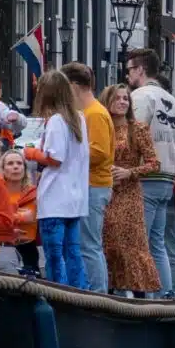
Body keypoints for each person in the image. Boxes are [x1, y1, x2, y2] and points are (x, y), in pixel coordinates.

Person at [125, 48, 175, 297]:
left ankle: (143, 300)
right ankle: (168, 296)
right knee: (158, 244)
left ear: (140, 70)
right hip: (167, 179)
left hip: (146, 177)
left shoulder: (141, 97)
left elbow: (133, 136)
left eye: (129, 70)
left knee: (139, 243)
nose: (127, 76)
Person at [24, 70, 89, 289]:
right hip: (75, 199)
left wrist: (31, 153)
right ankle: (79, 293)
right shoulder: (79, 119)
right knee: (73, 253)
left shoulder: (55, 121)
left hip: (55, 199)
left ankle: (58, 295)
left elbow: (55, 158)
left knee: (54, 255)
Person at [103, 83, 162, 295]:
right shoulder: (102, 126)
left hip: (129, 193)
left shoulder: (137, 128)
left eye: (125, 98)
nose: (122, 102)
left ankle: (139, 296)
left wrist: (130, 172)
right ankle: (107, 295)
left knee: (130, 243)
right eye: (117, 98)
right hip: (104, 191)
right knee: (106, 241)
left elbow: (154, 163)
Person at [63, 63, 115, 292]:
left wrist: (66, 155)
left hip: (94, 186)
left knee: (89, 245)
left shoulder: (94, 114)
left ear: (74, 86)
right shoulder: (90, 113)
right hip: (91, 185)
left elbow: (99, 152)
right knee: (88, 244)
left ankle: (97, 294)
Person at [0, 149, 41, 275]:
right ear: (2, 169)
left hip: (29, 248)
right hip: (2, 247)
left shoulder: (34, 193)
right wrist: (19, 217)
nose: (15, 167)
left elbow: (32, 217)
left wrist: (8, 218)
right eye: (10, 164)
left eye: (19, 163)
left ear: (24, 168)